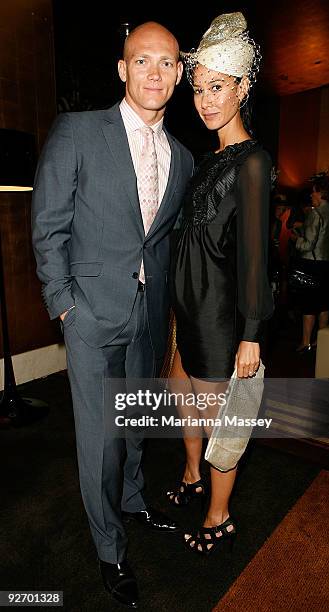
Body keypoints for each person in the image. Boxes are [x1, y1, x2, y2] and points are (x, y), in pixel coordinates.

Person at [32, 21, 193, 607]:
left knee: (134, 428)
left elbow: (165, 242)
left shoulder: (182, 156)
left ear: (179, 74)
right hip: (91, 317)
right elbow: (47, 227)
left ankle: (131, 501)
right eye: (143, 60)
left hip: (147, 318)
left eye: (169, 63)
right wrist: (65, 306)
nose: (156, 72)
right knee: (99, 442)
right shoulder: (78, 131)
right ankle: (109, 549)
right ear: (123, 69)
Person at [167, 12, 274, 555]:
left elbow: (256, 256)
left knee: (222, 427)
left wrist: (251, 333)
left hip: (218, 316)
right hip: (184, 310)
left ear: (243, 87)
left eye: (218, 88)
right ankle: (190, 476)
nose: (206, 100)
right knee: (181, 401)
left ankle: (219, 511)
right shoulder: (209, 160)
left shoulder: (252, 161)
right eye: (200, 88)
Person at [290, 175, 329, 352]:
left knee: (309, 305)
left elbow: (307, 244)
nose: (311, 195)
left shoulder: (316, 213)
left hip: (312, 264)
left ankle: (306, 343)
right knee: (324, 304)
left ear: (321, 192)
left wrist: (296, 239)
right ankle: (321, 340)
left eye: (313, 191)